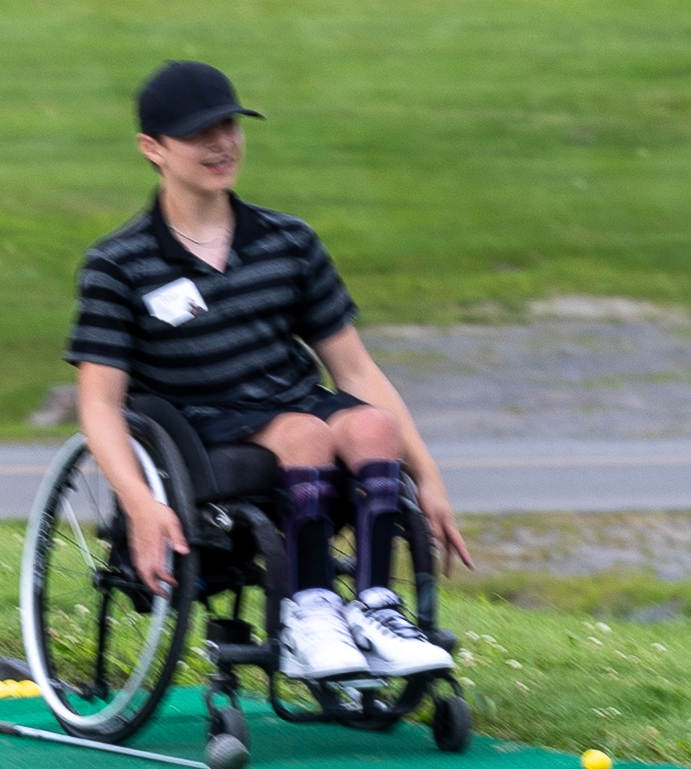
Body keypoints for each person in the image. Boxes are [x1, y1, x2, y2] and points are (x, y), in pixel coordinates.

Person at [64, 60, 471, 679]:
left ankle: (374, 608)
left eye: (229, 126)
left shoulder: (289, 241)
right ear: (153, 149)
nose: (222, 143)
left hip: (288, 397)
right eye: (201, 134)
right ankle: (308, 612)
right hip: (198, 424)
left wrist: (432, 477)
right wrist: (140, 503)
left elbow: (355, 369)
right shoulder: (119, 264)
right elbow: (98, 404)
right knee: (305, 432)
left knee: (372, 429)